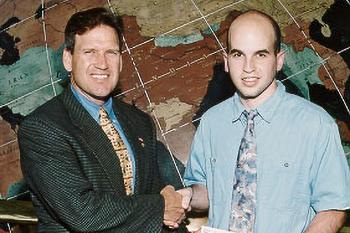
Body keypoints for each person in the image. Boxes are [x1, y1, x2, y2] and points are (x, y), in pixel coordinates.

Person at [178, 10, 350, 233]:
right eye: (238, 54)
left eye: (260, 54)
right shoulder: (211, 122)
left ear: (278, 60)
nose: (248, 67)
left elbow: (333, 208)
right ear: (227, 61)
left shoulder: (316, 124)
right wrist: (189, 195)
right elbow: (210, 192)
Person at [18, 7, 187, 232]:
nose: (102, 63)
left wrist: (169, 209)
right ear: (68, 60)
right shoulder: (41, 128)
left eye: (111, 52)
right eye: (90, 52)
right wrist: (160, 206)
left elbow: (155, 201)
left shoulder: (140, 122)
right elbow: (83, 213)